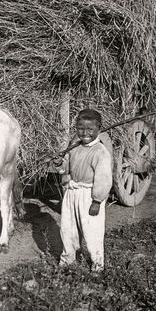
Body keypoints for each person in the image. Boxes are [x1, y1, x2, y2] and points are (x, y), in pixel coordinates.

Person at [58, 108, 113, 271]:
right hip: (71, 192)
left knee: (91, 231)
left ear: (99, 129)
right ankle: (67, 260)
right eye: (80, 128)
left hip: (89, 195)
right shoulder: (74, 147)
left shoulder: (100, 152)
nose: (85, 133)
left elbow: (103, 180)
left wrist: (97, 201)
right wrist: (58, 163)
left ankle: (97, 264)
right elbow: (65, 167)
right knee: (68, 228)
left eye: (90, 129)